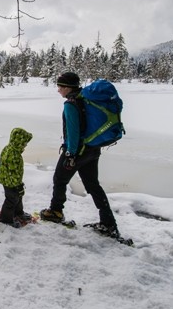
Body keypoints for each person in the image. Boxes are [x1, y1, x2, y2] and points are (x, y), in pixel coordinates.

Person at [40, 72, 119, 236]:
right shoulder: (85, 99)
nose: (58, 90)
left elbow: (73, 132)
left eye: (60, 87)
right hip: (92, 149)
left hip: (78, 150)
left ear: (68, 87)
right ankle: (108, 222)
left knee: (59, 179)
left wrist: (70, 155)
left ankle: (56, 211)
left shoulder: (71, 104)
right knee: (93, 185)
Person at [0, 127, 33, 227]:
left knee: (18, 197)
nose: (25, 145)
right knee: (11, 200)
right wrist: (18, 185)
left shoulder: (10, 148)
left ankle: (18, 213)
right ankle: (5, 220)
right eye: (24, 143)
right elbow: (13, 172)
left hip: (11, 180)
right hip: (10, 182)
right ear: (18, 142)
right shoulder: (13, 154)